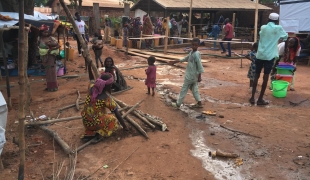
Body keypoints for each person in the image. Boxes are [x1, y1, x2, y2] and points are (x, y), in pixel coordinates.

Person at [80, 63, 128, 142]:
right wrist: (125, 127)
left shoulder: (91, 88)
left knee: (100, 114)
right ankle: (100, 133)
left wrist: (89, 68)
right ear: (108, 86)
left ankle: (90, 132)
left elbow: (91, 79)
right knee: (113, 120)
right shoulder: (106, 98)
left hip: (85, 122)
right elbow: (117, 114)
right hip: (95, 124)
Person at [249, 13, 288, 106]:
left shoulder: (263, 27)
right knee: (265, 77)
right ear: (277, 21)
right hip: (269, 56)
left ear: (268, 19)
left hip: (260, 54)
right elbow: (285, 36)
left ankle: (252, 97)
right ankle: (260, 100)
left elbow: (261, 35)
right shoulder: (278, 28)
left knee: (256, 76)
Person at [169, 38, 204, 108]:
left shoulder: (196, 55)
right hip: (194, 76)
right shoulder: (191, 53)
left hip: (190, 76)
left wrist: (200, 76)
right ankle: (199, 103)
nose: (193, 46)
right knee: (194, 89)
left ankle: (178, 104)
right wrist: (174, 61)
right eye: (192, 45)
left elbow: (200, 66)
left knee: (184, 90)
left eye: (195, 45)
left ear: (198, 46)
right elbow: (185, 58)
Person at [38, 24, 60, 92]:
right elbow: (39, 46)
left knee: (52, 71)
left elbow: (58, 45)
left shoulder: (51, 38)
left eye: (46, 31)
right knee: (47, 72)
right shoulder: (39, 39)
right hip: (44, 57)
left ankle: (54, 87)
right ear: (41, 32)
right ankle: (49, 86)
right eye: (44, 32)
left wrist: (50, 49)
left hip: (51, 57)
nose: (46, 33)